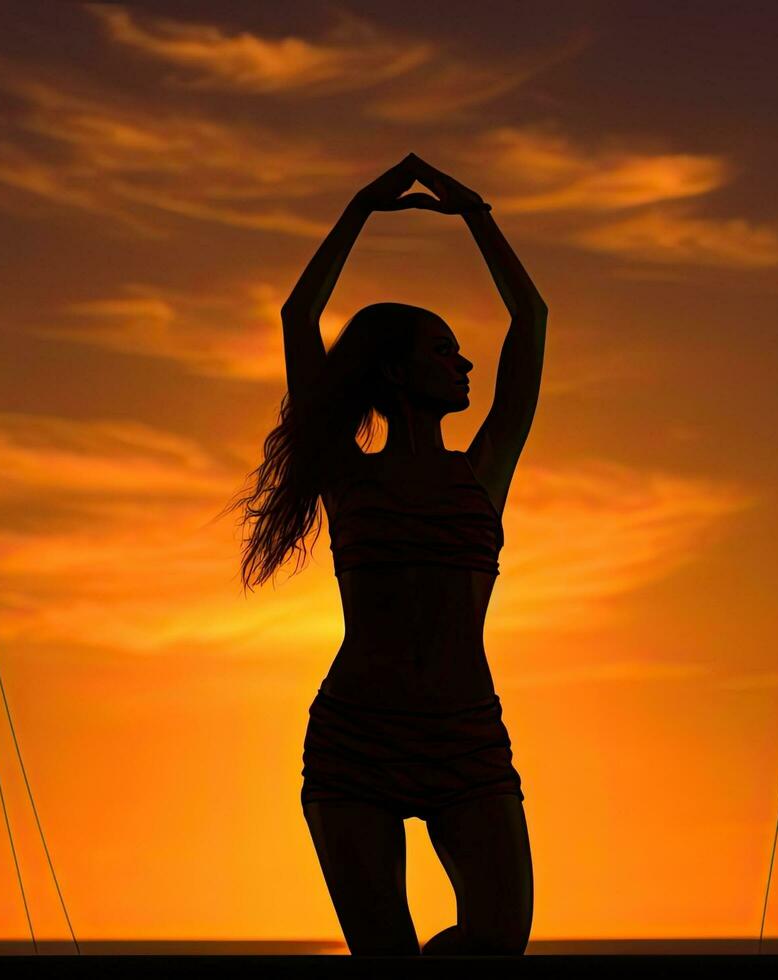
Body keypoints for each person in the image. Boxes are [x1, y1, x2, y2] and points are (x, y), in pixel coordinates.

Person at [223, 153, 547, 955]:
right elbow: (301, 319)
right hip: (355, 738)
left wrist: (475, 211)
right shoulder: (345, 474)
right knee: (383, 963)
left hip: (466, 735)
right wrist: (359, 207)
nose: (463, 362)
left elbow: (531, 319)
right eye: (444, 350)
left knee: (498, 941)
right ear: (397, 372)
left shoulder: (483, 468)